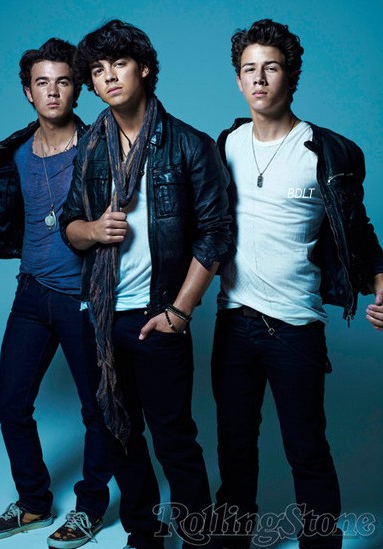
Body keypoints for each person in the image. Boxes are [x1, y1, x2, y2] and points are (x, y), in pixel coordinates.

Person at [211, 18, 383, 549]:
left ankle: (321, 541)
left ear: (292, 76)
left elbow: (359, 231)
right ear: (238, 80)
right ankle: (231, 538)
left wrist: (381, 285)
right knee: (234, 448)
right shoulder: (226, 144)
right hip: (233, 321)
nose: (259, 79)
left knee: (306, 448)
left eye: (271, 68)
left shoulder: (327, 152)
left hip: (296, 327)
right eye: (249, 69)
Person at [60, 19, 231, 549]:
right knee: (119, 433)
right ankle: (143, 533)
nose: (109, 76)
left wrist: (180, 310)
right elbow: (70, 224)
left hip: (157, 315)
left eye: (119, 64)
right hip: (100, 316)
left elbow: (216, 233)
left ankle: (198, 534)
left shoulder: (189, 145)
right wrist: (93, 229)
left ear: (146, 69)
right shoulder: (90, 148)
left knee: (174, 437)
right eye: (98, 70)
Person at [0, 38, 113, 549]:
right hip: (32, 293)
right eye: (42, 82)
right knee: (11, 403)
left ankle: (90, 508)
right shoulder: (15, 154)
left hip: (83, 297)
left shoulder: (99, 149)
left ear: (77, 89)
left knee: (99, 410)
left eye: (63, 81)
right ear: (28, 92)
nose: (53, 91)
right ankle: (34, 503)